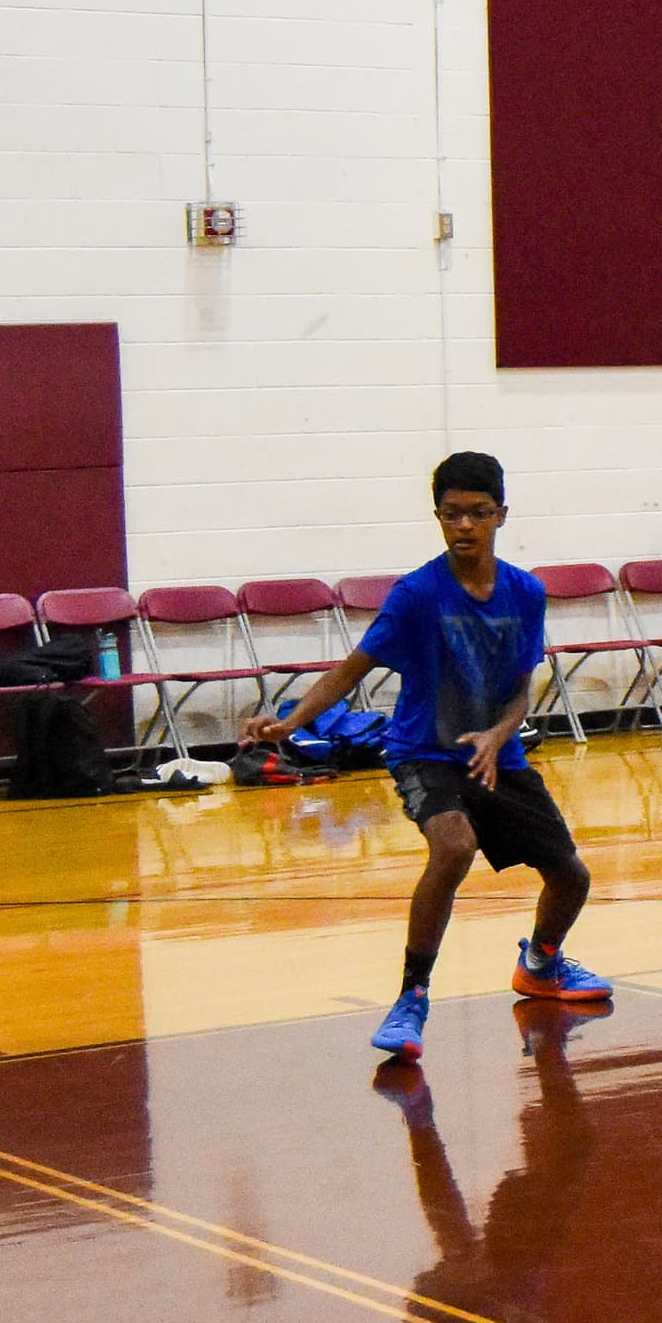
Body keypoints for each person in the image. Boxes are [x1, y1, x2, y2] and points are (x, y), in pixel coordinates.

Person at [245, 452, 607, 1057]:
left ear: (501, 515)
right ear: (437, 516)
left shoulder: (525, 593)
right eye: (451, 514)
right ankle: (411, 997)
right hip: (422, 753)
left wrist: (497, 735)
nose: (464, 526)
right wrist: (289, 724)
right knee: (454, 846)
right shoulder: (416, 595)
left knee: (571, 876)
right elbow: (349, 671)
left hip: (496, 756)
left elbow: (521, 688)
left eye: (478, 513)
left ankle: (541, 963)